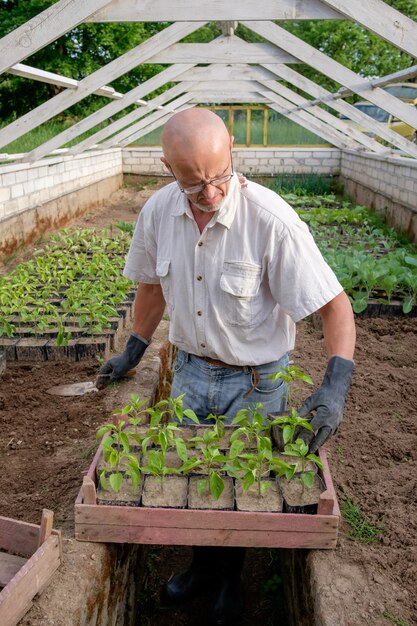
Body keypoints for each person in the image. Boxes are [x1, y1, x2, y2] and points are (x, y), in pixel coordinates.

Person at [98, 108, 356, 625]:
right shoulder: (157, 213)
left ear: (232, 150)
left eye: (219, 177)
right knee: (192, 475)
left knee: (243, 485)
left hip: (257, 383)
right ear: (168, 168)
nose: (211, 193)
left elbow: (335, 307)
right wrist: (134, 347)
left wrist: (334, 385)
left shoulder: (270, 220)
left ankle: (230, 581)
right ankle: (200, 568)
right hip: (190, 373)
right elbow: (151, 287)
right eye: (195, 184)